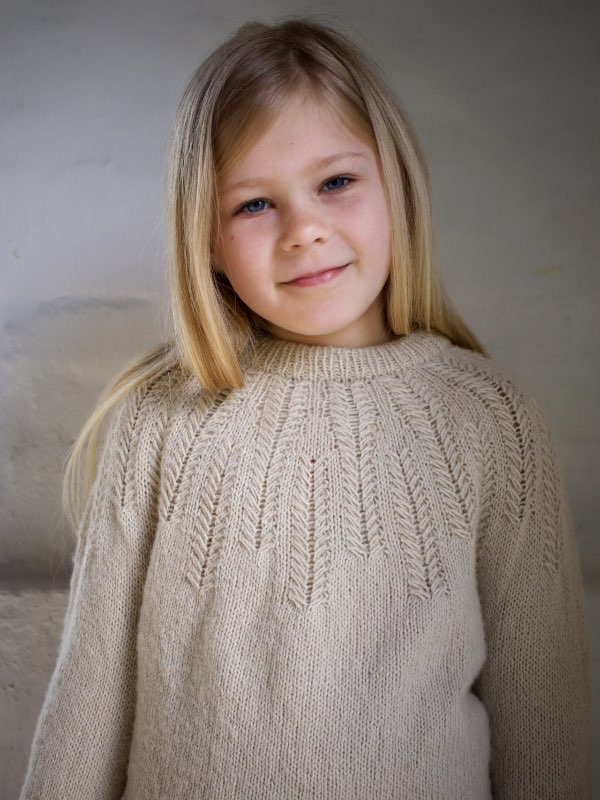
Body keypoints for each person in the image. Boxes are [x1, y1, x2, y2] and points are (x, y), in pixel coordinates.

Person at [19, 18, 592, 800]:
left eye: (335, 183)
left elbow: (546, 725)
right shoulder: (159, 419)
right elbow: (90, 702)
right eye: (255, 204)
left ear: (398, 184)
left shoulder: (492, 422)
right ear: (205, 240)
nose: (305, 231)